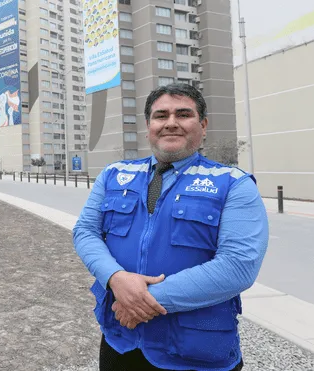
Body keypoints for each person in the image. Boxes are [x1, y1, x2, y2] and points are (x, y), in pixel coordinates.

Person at [73, 83, 269, 371]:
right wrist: (115, 277)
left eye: (183, 114)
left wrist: (139, 301)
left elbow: (238, 266)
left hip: (196, 352)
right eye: (161, 115)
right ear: (148, 125)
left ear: (203, 125)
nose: (171, 123)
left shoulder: (233, 184)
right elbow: (85, 232)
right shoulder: (114, 175)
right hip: (120, 342)